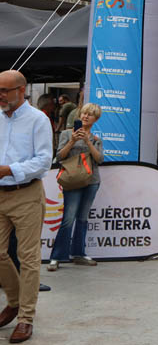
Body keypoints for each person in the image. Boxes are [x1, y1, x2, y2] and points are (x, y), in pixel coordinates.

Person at [0, 70, 54, 342]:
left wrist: (9, 169)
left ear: (22, 90)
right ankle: (14, 301)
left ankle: (25, 318)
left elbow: (44, 161)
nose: (0, 95)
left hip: (27, 194)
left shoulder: (38, 119)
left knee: (28, 258)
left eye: (5, 90)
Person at [48, 103, 103, 271]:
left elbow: (99, 159)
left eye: (90, 115)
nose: (85, 116)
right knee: (68, 218)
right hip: (72, 180)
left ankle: (79, 253)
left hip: (91, 180)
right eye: (84, 113)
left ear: (95, 119)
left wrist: (88, 142)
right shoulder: (66, 134)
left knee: (83, 218)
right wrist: (72, 141)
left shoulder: (96, 139)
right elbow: (59, 156)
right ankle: (57, 256)